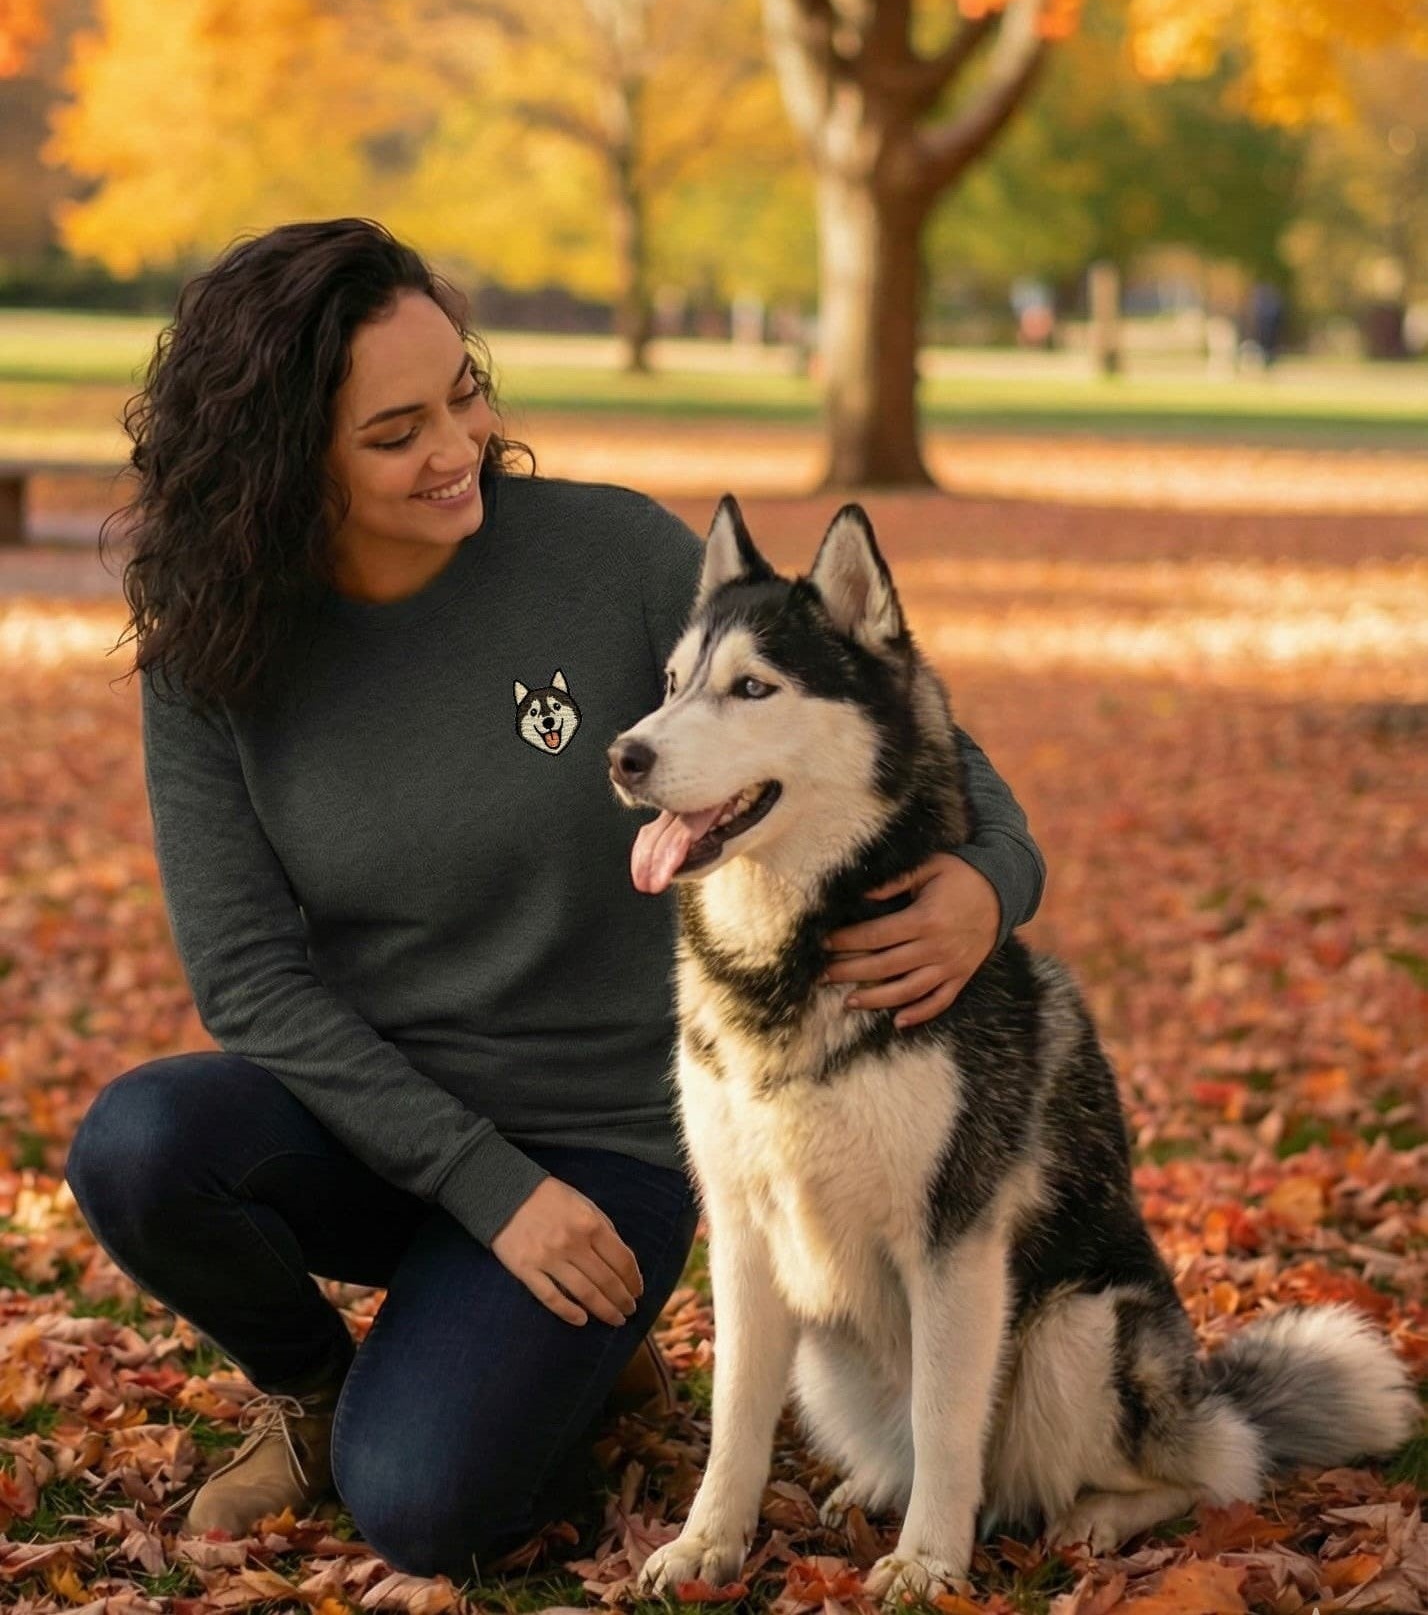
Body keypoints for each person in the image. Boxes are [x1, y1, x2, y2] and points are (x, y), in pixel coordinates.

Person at [64, 219, 1047, 1584]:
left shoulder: (608, 556)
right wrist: (484, 1186)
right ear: (289, 462)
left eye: (462, 390)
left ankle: (564, 1350)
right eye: (396, 430)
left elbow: (926, 747)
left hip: (603, 1146)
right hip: (387, 1127)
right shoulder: (214, 652)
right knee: (140, 1142)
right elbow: (248, 980)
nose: (458, 444)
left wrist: (990, 888)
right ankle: (310, 1388)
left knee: (420, 1505)